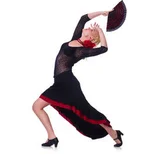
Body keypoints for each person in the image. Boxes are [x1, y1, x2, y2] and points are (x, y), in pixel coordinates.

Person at [33, 10, 124, 148]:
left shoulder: (81, 50)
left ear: (91, 38)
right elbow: (83, 18)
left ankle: (113, 133)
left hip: (68, 84)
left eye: (91, 29)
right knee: (36, 107)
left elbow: (104, 48)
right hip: (60, 83)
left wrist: (100, 31)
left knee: (86, 111)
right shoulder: (76, 39)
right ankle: (52, 137)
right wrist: (103, 12)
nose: (88, 27)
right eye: (90, 27)